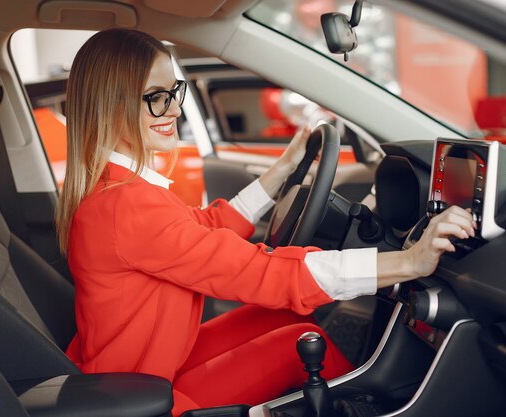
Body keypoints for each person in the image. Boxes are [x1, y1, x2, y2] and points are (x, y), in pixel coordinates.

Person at [56, 29, 476, 416]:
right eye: (155, 97)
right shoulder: (126, 206)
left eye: (174, 91)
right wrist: (408, 263)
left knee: (282, 320)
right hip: (140, 398)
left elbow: (207, 226)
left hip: (148, 367)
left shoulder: (122, 191)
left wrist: (281, 171)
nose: (174, 109)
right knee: (294, 344)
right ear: (110, 107)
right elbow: (262, 271)